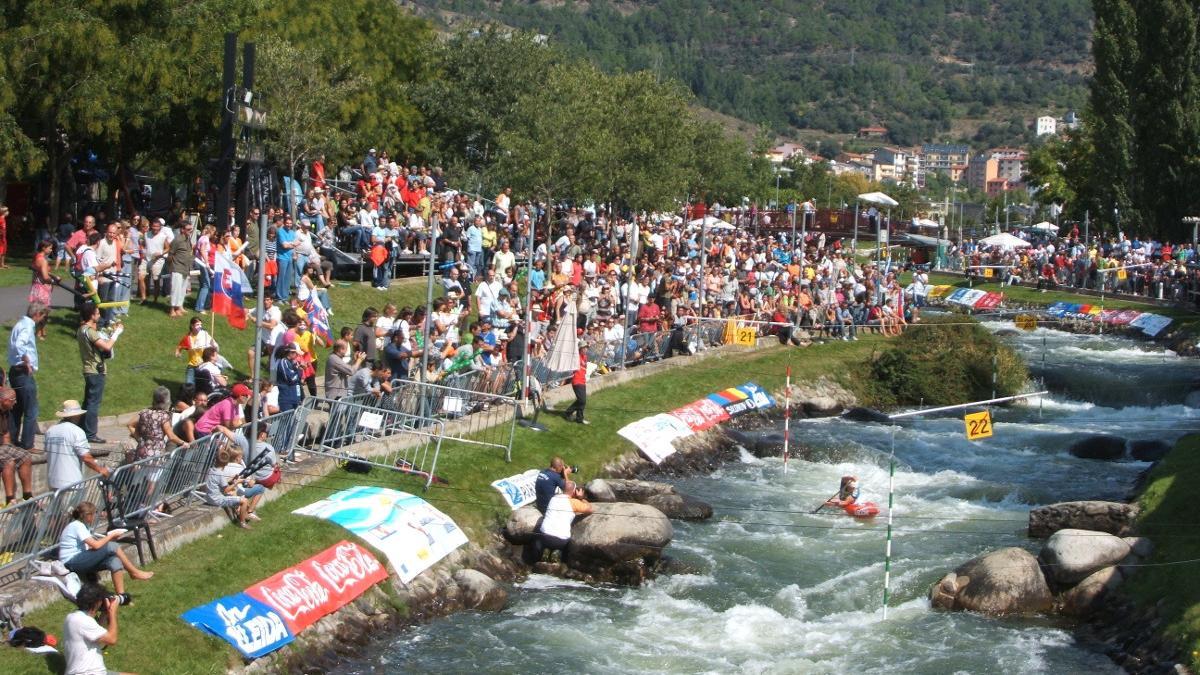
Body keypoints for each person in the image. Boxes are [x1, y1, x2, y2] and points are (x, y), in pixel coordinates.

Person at [58, 501, 154, 602]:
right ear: (87, 515)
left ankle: (121, 597)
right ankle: (134, 572)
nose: (95, 516)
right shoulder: (77, 526)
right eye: (94, 514)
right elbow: (95, 545)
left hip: (79, 559)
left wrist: (108, 541)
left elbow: (91, 547)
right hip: (71, 562)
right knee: (112, 546)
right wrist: (111, 536)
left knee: (114, 560)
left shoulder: (81, 526)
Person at [78, 305, 122, 443]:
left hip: (89, 369)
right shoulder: (89, 331)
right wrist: (117, 333)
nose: (99, 315)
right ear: (91, 315)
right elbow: (107, 347)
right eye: (97, 313)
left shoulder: (81, 329)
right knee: (93, 404)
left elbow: (99, 345)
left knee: (87, 402)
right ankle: (90, 434)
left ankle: (82, 429)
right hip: (96, 370)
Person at [8, 302, 48, 454]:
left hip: (15, 371)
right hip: (23, 372)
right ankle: (27, 444)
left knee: (17, 408)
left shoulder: (20, 323)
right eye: (42, 316)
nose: (41, 320)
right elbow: (20, 344)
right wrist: (26, 361)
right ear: (37, 314)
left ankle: (11, 439)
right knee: (31, 409)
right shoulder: (28, 326)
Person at [524, 480, 592, 565]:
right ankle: (557, 552)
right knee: (564, 545)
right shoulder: (574, 503)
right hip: (561, 541)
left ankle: (546, 551)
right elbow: (590, 510)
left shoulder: (553, 498)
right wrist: (581, 498)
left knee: (540, 533)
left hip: (544, 538)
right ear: (574, 491)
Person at [63, 583, 124, 675]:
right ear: (97, 603)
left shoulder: (72, 617)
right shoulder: (84, 621)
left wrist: (104, 613)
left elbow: (94, 633)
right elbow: (112, 639)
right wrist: (112, 612)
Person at [46, 400, 108, 489]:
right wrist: (100, 469)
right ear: (77, 415)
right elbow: (86, 457)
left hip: (53, 483)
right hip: (72, 484)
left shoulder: (50, 431)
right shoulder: (77, 431)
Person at [204, 445, 256, 529]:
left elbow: (220, 482)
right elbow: (226, 490)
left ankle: (243, 515)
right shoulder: (220, 474)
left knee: (234, 493)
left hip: (208, 497)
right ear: (226, 463)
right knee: (244, 501)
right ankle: (242, 523)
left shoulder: (211, 469)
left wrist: (232, 478)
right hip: (217, 500)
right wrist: (237, 482)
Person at [0, 387, 33, 505]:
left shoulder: (6, 411)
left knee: (26, 456)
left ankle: (27, 496)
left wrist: (10, 448)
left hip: (2, 446)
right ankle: (10, 499)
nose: (15, 402)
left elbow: (6, 434)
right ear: (5, 401)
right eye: (13, 400)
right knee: (9, 461)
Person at [166, 219, 194, 318]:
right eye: (188, 229)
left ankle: (179, 307)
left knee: (182, 290)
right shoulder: (177, 240)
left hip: (185, 268)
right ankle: (172, 309)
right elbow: (171, 254)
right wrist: (171, 266)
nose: (190, 230)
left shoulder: (188, 239)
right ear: (182, 229)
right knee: (175, 290)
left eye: (191, 229)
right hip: (177, 267)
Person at [561, 344, 589, 425]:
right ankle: (569, 413)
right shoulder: (577, 357)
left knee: (582, 401)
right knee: (582, 400)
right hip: (576, 381)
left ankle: (578, 418)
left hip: (583, 380)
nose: (586, 349)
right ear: (580, 349)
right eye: (584, 348)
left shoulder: (585, 357)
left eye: (586, 348)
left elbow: (584, 368)